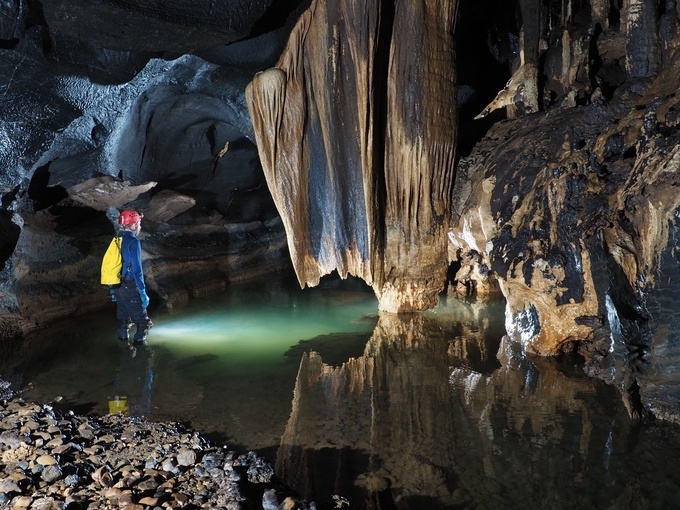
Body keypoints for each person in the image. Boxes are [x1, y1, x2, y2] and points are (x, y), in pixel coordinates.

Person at [115, 209, 152, 344]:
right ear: (133, 224)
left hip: (118, 285)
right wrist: (142, 291)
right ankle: (142, 358)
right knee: (143, 324)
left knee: (124, 322)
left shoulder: (117, 240)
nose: (140, 226)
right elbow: (137, 270)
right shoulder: (133, 242)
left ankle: (123, 352)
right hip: (130, 286)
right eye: (138, 223)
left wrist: (111, 289)